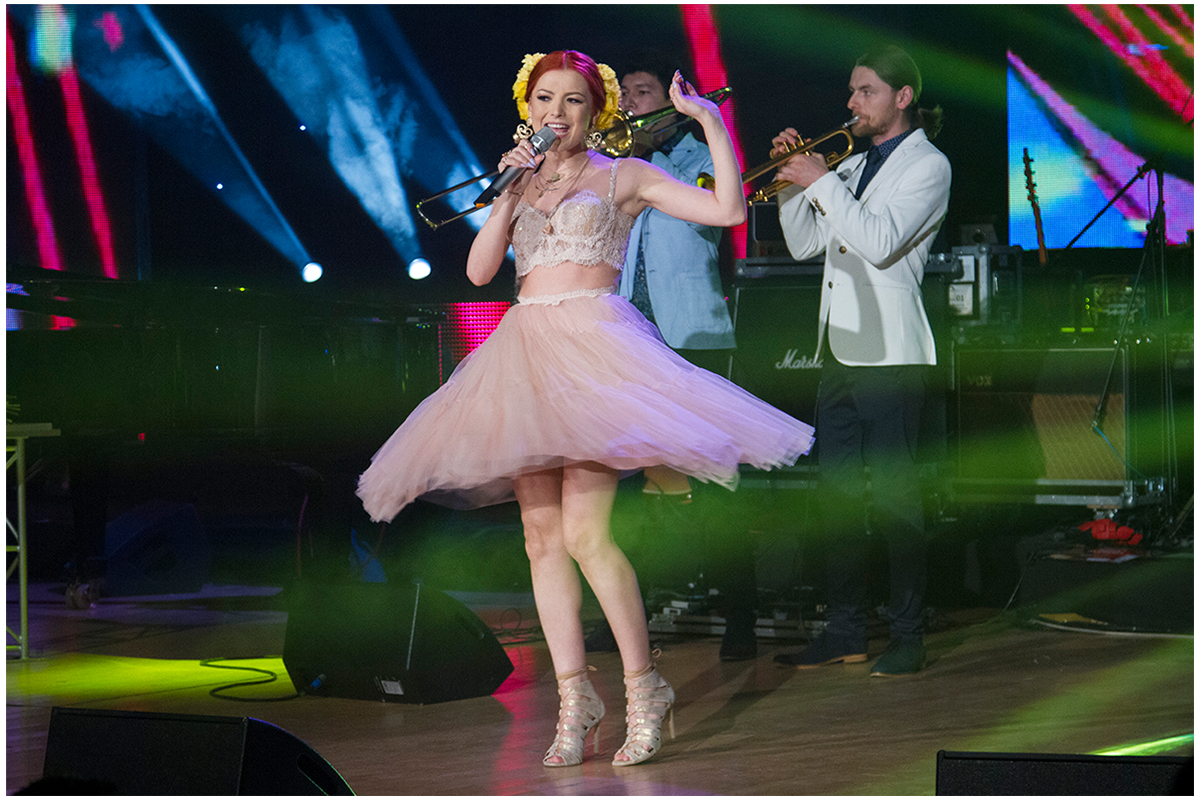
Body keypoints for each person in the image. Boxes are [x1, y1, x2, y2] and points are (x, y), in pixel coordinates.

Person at [357, 51, 813, 767]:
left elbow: (726, 211)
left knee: (586, 536)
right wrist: (506, 193)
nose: (557, 112)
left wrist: (710, 123)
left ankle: (644, 687)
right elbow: (478, 272)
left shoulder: (622, 175)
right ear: (527, 109)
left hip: (596, 352)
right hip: (524, 356)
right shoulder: (520, 178)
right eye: (545, 99)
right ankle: (576, 699)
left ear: (595, 110)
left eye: (573, 99)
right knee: (540, 539)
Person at [769, 44, 949, 677]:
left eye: (865, 90)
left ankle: (908, 634)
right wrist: (792, 184)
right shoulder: (848, 164)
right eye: (851, 90)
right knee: (837, 499)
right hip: (840, 348)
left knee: (897, 499)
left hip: (892, 352)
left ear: (902, 97)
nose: (851, 102)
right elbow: (804, 245)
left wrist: (819, 180)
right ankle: (844, 630)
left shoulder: (929, 165)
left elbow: (878, 242)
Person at [604, 52, 756, 662]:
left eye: (642, 91)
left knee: (716, 482)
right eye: (624, 93)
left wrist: (656, 155)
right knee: (617, 485)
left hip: (692, 336)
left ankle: (740, 615)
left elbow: (719, 212)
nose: (629, 102)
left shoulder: (699, 158)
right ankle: (622, 614)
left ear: (672, 100)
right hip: (627, 339)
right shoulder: (617, 168)